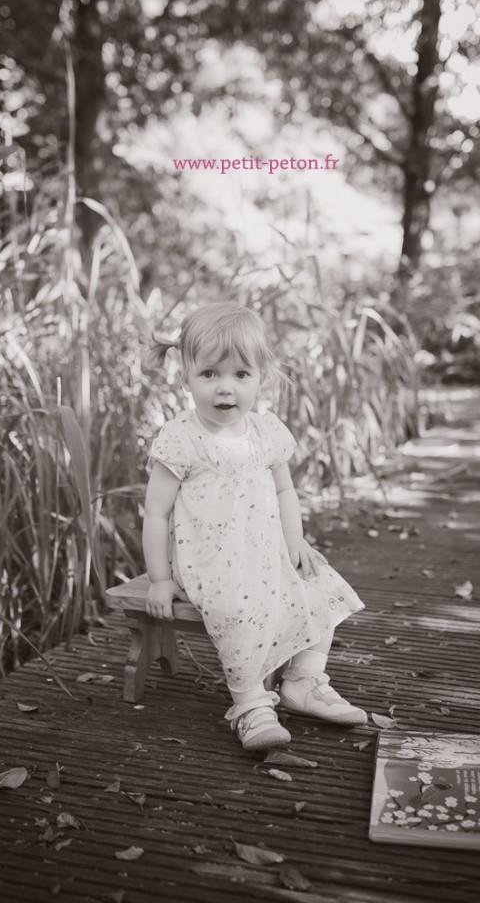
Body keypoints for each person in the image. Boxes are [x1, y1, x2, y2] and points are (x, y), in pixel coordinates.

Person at [141, 301, 367, 752]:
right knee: (236, 606)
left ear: (261, 377)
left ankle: (304, 680)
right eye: (210, 374)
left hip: (265, 550)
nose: (226, 388)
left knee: (320, 584)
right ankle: (249, 703)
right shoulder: (182, 438)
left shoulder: (265, 432)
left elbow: (284, 492)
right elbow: (157, 514)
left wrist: (296, 541)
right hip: (209, 562)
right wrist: (160, 580)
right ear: (186, 377)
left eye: (241, 375)